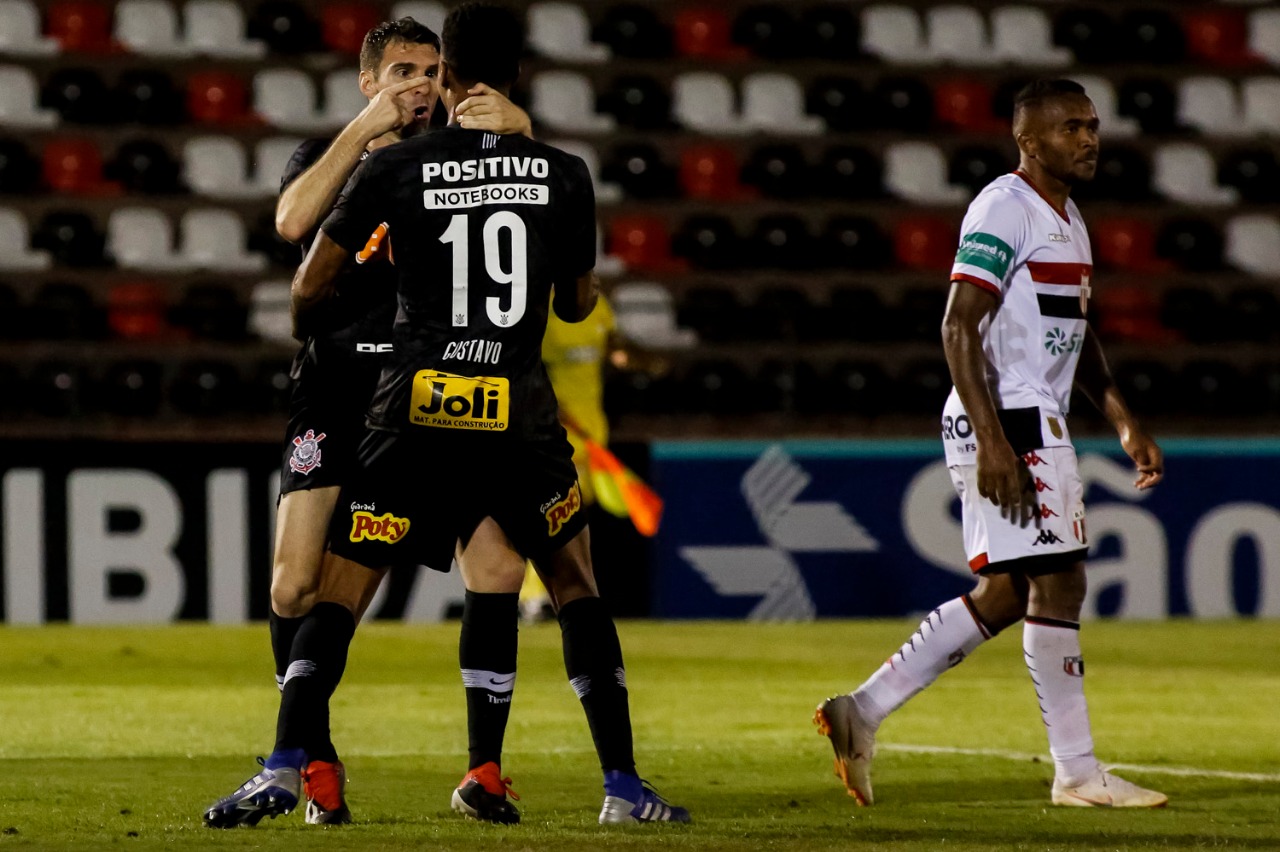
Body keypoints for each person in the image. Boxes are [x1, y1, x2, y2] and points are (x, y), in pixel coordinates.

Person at [290, 1, 690, 827]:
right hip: (516, 416)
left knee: (341, 586)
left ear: (449, 75)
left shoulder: (399, 167)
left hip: (414, 409)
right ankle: (620, 785)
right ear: (520, 71)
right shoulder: (562, 169)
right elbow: (578, 306)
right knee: (572, 580)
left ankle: (288, 758)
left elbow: (304, 284)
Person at [203, 17, 531, 828]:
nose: (418, 84)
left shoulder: (462, 162)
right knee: (293, 584)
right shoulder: (332, 154)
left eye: (430, 69)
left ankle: (482, 769)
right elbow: (290, 226)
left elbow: (526, 213)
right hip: (333, 388)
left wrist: (523, 132)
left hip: (425, 396)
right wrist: (364, 133)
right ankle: (314, 762)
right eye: (402, 70)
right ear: (368, 80)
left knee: (493, 566)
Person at [815, 79, 1168, 810]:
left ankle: (863, 710)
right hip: (1007, 418)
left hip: (1034, 416)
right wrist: (991, 440)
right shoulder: (1003, 208)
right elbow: (956, 325)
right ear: (1028, 140)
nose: (1090, 139)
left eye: (1094, 125)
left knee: (1010, 593)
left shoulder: (1068, 218)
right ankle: (1076, 773)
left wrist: (1121, 415)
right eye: (1071, 127)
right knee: (1061, 582)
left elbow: (1076, 330)